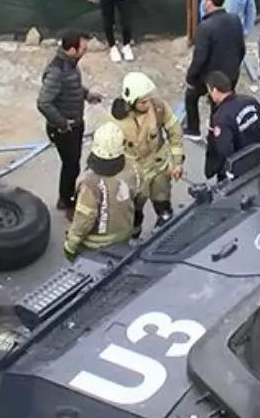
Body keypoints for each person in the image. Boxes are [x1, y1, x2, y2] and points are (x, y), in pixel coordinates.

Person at [36, 31, 103, 219]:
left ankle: (67, 197)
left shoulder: (69, 65)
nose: (86, 50)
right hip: (65, 129)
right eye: (83, 47)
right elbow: (43, 103)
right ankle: (66, 201)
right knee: (71, 165)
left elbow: (71, 85)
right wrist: (63, 124)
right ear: (72, 49)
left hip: (74, 124)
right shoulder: (57, 71)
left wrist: (87, 95)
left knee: (73, 163)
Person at [110, 71, 185, 231]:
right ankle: (135, 235)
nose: (148, 104)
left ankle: (164, 225)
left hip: (159, 167)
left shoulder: (158, 107)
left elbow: (175, 132)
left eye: (149, 99)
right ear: (131, 102)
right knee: (134, 212)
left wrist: (177, 162)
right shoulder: (117, 123)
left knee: (163, 203)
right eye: (143, 102)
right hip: (134, 174)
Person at [64, 122, 145, 260]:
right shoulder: (135, 168)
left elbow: (84, 219)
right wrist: (136, 226)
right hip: (123, 234)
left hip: (94, 246)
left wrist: (70, 245)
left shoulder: (90, 182)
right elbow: (141, 199)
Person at [184, 0, 246, 139]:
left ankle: (195, 130)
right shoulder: (235, 20)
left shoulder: (205, 27)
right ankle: (215, 133)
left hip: (212, 78)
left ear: (209, 1)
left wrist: (190, 78)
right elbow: (241, 48)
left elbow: (200, 59)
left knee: (191, 94)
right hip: (231, 75)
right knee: (219, 107)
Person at [204, 71, 260, 182]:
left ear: (215, 90)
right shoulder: (249, 101)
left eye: (209, 91)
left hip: (237, 172)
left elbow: (225, 150)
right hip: (256, 158)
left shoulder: (221, 118)